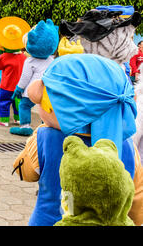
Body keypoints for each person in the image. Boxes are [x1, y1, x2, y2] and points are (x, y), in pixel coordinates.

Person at [12, 54, 143, 226]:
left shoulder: (44, 137)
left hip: (49, 220)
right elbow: (137, 198)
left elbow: (26, 173)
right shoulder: (127, 147)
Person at [9, 19, 59, 136]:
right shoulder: (51, 60)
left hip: (33, 90)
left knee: (24, 105)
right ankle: (45, 126)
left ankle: (25, 126)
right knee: (45, 107)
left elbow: (25, 77)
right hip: (46, 90)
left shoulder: (30, 61)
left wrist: (19, 88)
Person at [0, 17, 29, 126]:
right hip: (19, 86)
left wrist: (0, 54)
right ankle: (18, 119)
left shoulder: (4, 56)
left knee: (3, 102)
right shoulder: (23, 57)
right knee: (17, 103)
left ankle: (4, 120)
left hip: (6, 85)